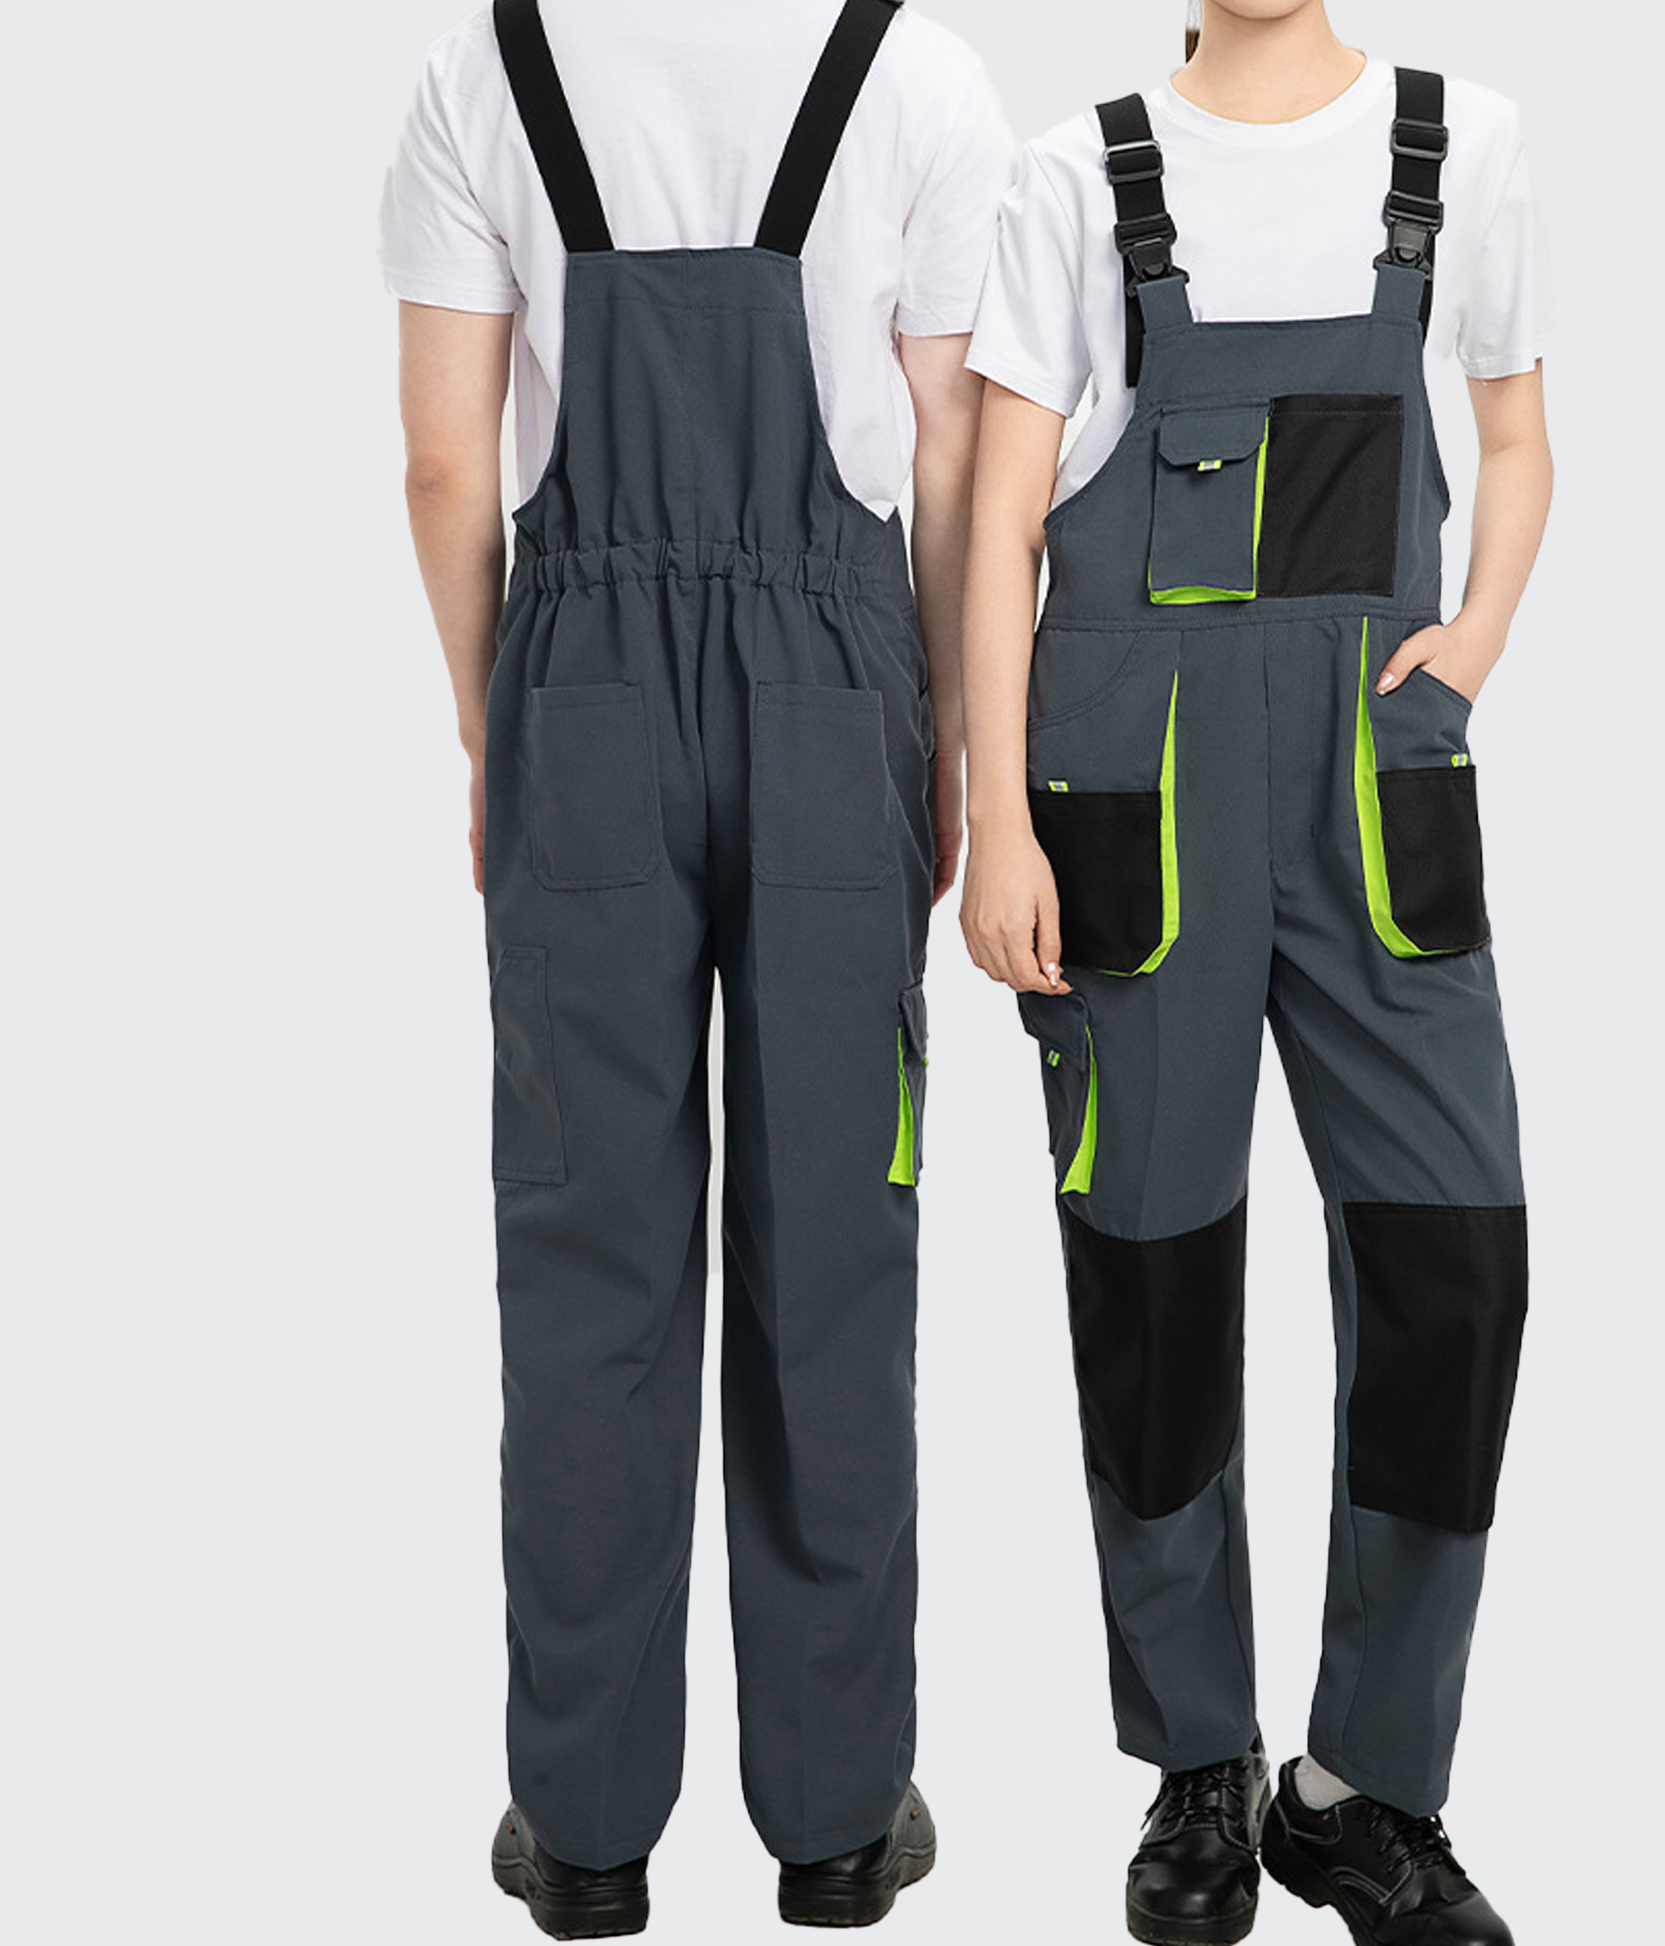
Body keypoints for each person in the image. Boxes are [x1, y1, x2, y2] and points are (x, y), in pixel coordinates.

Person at [379, 1, 1010, 1933]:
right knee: (835, 1248)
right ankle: (834, 1820)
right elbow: (953, 454)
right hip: (833, 694)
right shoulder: (916, 72)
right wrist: (944, 752)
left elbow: (444, 467)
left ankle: (584, 1829)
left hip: (577, 684)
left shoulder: (484, 67)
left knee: (589, 1261)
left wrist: (496, 732)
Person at [959, 2, 1551, 1942]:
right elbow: (997, 522)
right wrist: (996, 817)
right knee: (1152, 1275)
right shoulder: (1076, 171)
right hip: (1133, 786)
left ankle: (1362, 1788)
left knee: (1454, 1268)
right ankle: (1196, 1762)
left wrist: (1474, 637)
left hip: (1375, 781)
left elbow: (1516, 433)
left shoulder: (1459, 145)